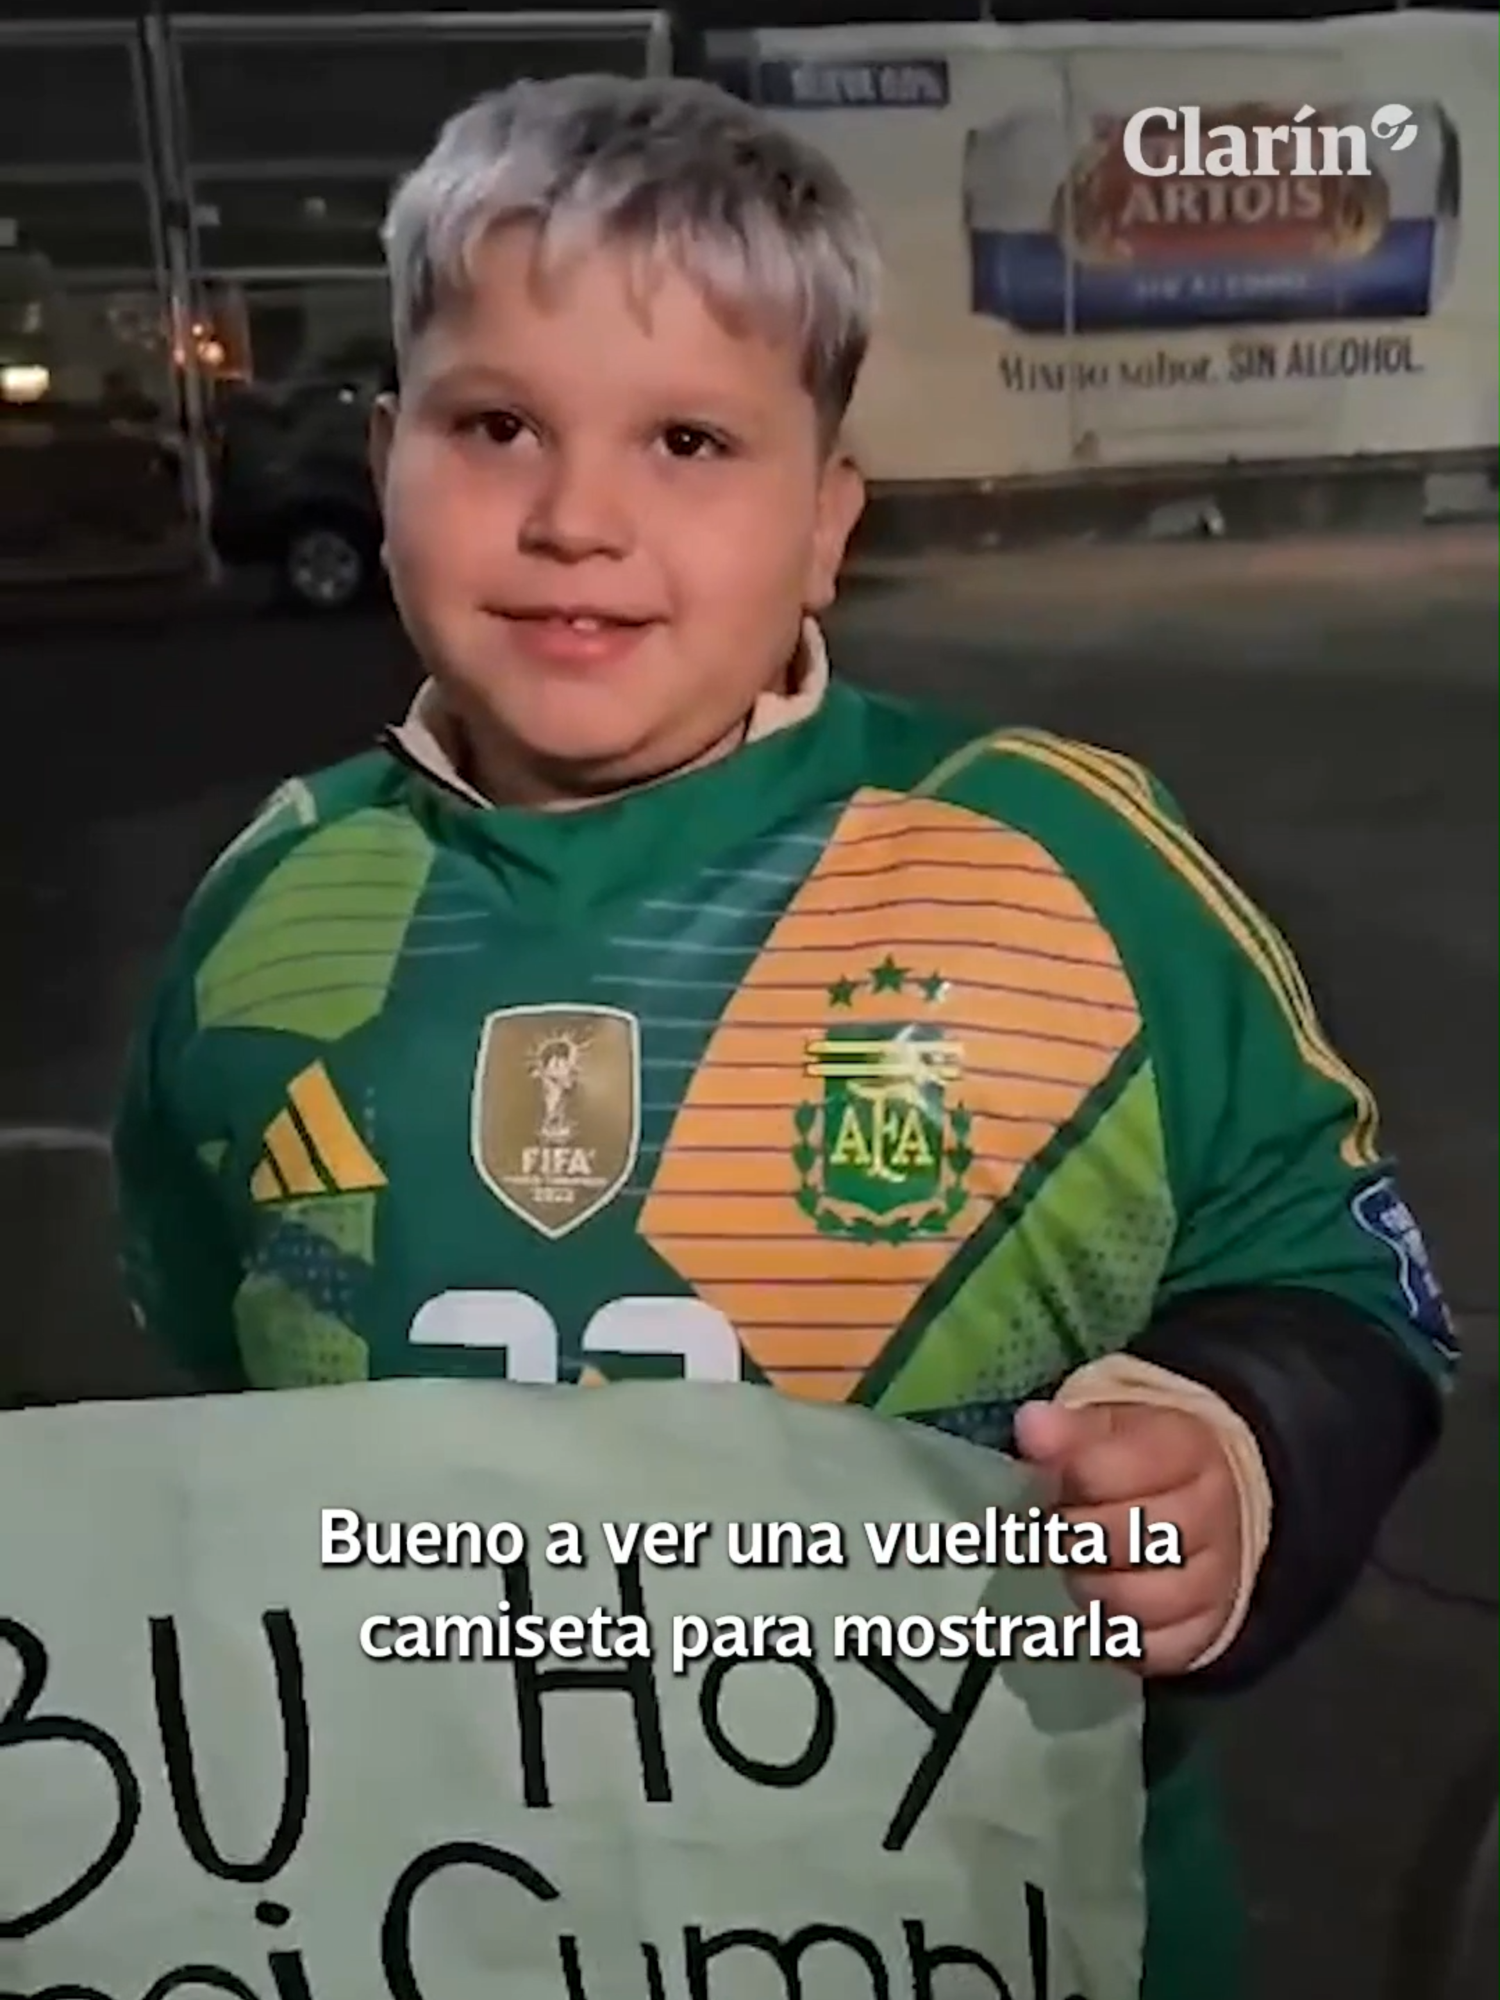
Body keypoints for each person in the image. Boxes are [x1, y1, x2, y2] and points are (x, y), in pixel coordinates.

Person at [113, 74, 1455, 1999]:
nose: (578, 517)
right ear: (390, 457)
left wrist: (1238, 1450)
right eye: (499, 425)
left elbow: (1342, 1278)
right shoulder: (271, 900)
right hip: (440, 1922)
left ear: (827, 521)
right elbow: (200, 1325)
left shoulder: (1063, 863)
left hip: (989, 1921)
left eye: (687, 438)